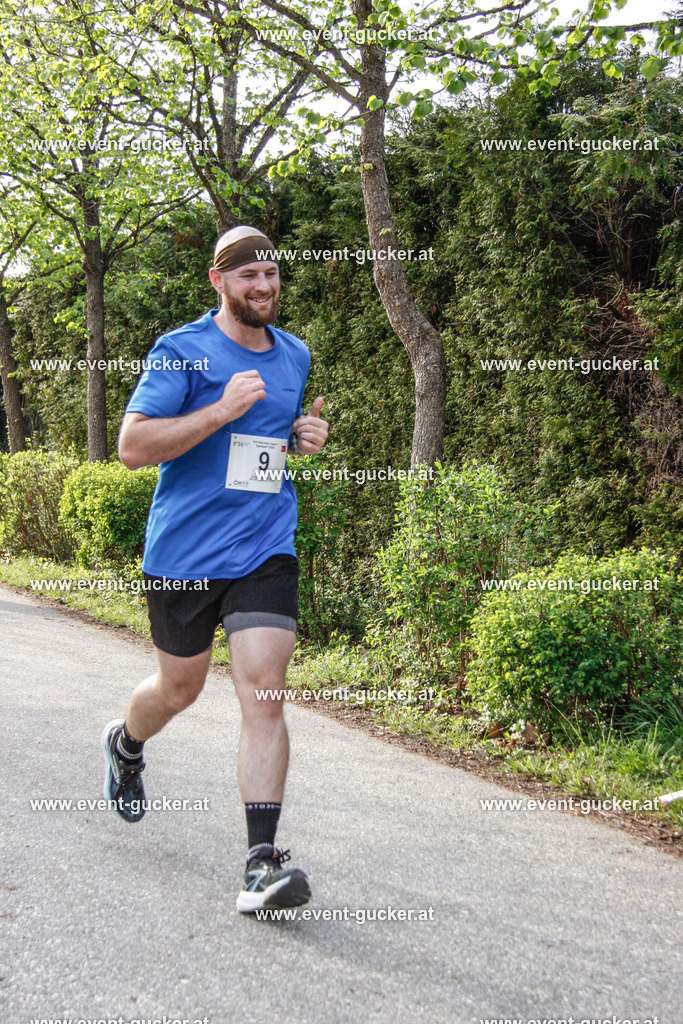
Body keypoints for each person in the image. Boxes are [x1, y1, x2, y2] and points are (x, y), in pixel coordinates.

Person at [101, 224, 328, 913]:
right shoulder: (180, 352)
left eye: (271, 275)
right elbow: (134, 447)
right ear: (218, 282)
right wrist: (218, 409)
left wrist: (299, 439)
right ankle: (126, 743)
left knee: (264, 689)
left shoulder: (294, 353)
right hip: (185, 555)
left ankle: (261, 862)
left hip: (264, 544)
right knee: (179, 690)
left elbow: (267, 441)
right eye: (247, 277)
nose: (263, 288)